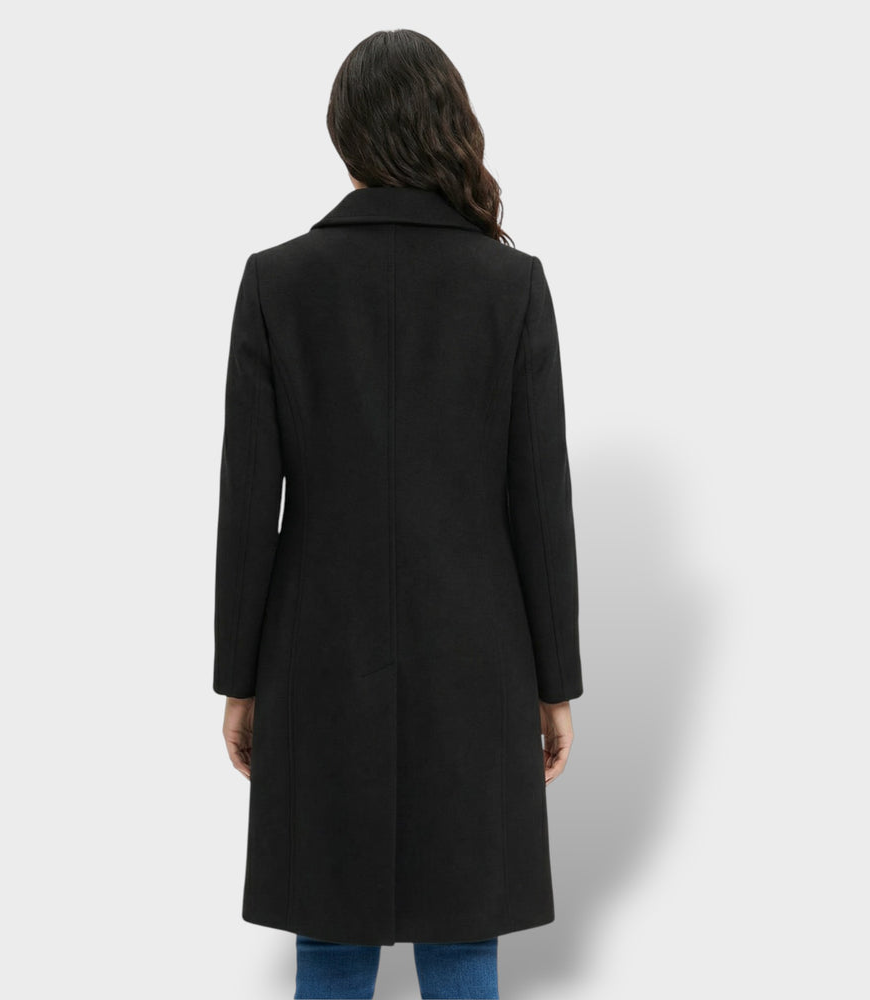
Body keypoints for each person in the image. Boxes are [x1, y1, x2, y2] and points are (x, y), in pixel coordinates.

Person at [214, 28, 583, 1000]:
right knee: (462, 936)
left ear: (345, 134)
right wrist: (554, 684)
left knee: (330, 940)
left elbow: (247, 503)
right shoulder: (510, 286)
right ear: (449, 125)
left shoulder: (276, 281)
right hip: (475, 656)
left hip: (315, 655)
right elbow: (538, 502)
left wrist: (239, 678)